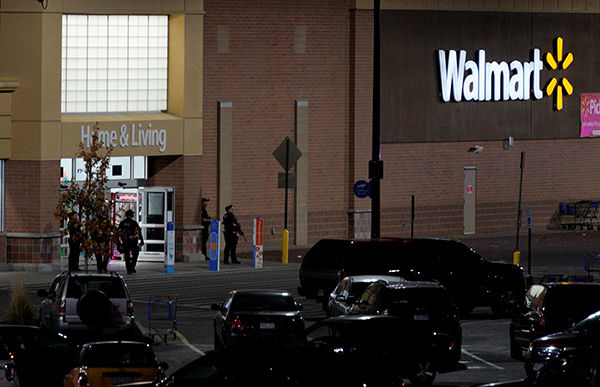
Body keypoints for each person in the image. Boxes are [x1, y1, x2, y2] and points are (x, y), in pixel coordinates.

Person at [117, 209, 144, 274]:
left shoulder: (122, 223)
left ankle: (129, 269)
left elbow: (118, 233)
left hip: (125, 241)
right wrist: (141, 240)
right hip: (133, 242)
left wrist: (118, 243)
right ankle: (132, 266)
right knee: (135, 254)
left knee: (127, 256)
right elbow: (138, 232)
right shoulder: (134, 223)